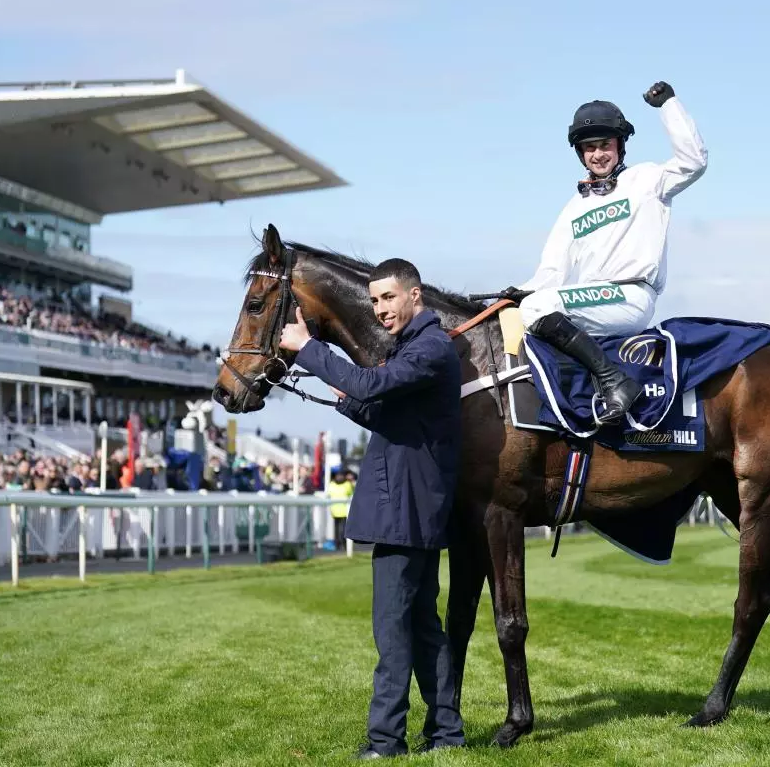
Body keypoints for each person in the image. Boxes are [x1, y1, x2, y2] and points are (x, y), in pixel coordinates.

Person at [280, 257, 465, 759]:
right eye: (374, 300)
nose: (380, 309)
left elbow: (371, 386)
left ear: (415, 295)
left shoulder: (429, 346)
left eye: (388, 297)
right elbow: (387, 413)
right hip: (410, 507)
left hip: (406, 509)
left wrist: (308, 349)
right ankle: (446, 734)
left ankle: (386, 741)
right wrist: (344, 396)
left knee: (393, 629)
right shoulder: (416, 347)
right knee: (422, 626)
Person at [499, 80, 709, 424]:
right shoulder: (573, 207)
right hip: (593, 300)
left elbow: (694, 162)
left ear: (620, 146)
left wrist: (669, 105)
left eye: (604, 145)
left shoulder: (646, 180)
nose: (597, 155)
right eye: (589, 148)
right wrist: (522, 291)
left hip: (630, 296)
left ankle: (616, 383)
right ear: (580, 153)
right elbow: (552, 271)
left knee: (537, 307)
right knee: (529, 309)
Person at [325, 467, 354, 550]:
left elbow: (351, 495)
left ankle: (344, 544)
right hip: (334, 510)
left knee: (343, 529)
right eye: (338, 475)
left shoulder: (347, 484)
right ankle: (337, 543)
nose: (339, 477)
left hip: (344, 511)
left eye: (341, 475)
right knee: (336, 529)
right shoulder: (332, 484)